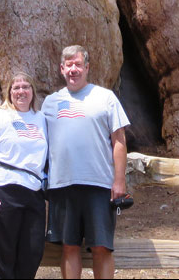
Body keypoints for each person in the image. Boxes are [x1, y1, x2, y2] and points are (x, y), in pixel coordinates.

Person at [41, 45, 130, 279]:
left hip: (99, 184)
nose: (74, 69)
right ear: (62, 69)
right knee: (69, 246)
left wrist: (119, 180)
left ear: (87, 67)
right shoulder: (50, 102)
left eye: (78, 64)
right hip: (62, 185)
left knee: (101, 247)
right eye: (69, 65)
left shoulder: (105, 98)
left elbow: (119, 140)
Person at [0, 72, 49, 279]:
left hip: (33, 191)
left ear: (33, 91)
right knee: (2, 254)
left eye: (26, 87)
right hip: (2, 188)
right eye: (16, 87)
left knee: (32, 251)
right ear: (9, 92)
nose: (21, 91)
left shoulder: (41, 119)